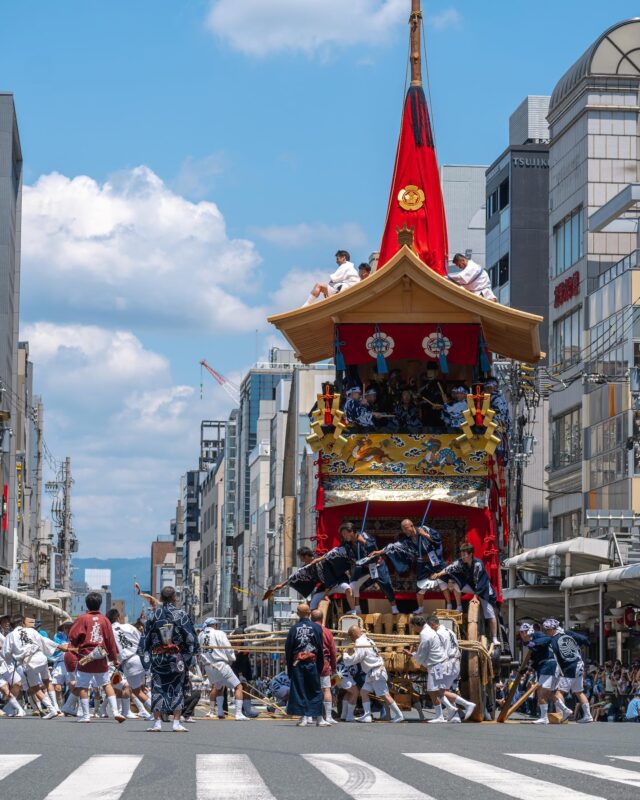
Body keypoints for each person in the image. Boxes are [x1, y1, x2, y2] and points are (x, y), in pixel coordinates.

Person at [138, 585, 199, 733]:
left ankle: (157, 722)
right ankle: (176, 723)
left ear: (160, 598)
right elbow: (190, 638)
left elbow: (144, 639)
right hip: (176, 657)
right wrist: (188, 658)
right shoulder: (181, 614)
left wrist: (145, 660)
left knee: (158, 688)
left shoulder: (153, 615)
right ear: (174, 598)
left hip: (158, 657)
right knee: (177, 688)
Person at [68, 593, 123, 724]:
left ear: (87, 604)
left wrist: (76, 645)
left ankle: (86, 715)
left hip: (86, 656)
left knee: (83, 686)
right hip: (101, 656)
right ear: (100, 604)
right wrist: (114, 658)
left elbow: (73, 636)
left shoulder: (82, 618)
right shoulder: (105, 620)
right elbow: (110, 641)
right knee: (106, 684)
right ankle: (116, 712)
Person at [431, 542, 500, 645]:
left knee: (489, 614)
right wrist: (438, 574)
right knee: (455, 583)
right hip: (473, 587)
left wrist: (476, 597)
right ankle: (459, 607)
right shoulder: (461, 562)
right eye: (461, 554)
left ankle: (494, 638)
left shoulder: (478, 564)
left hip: (484, 590)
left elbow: (481, 582)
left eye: (464, 554)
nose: (462, 557)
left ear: (470, 554)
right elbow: (449, 568)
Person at [3, 613, 69, 719]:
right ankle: (56, 707)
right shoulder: (31, 630)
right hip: (41, 658)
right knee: (47, 681)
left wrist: (11, 658)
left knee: (35, 688)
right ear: (22, 622)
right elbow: (44, 641)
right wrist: (58, 647)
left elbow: (6, 653)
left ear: (11, 625)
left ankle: (51, 709)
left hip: (29, 662)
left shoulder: (10, 636)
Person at [342, 624, 404, 723]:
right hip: (372, 672)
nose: (350, 638)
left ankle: (399, 714)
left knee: (384, 695)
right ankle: (367, 715)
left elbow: (357, 658)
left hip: (376, 672)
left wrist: (345, 655)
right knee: (364, 692)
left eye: (350, 636)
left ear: (353, 634)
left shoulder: (360, 642)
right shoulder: (367, 640)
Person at [542, 619, 593, 724]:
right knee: (579, 691)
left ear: (552, 629)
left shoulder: (553, 639)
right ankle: (588, 715)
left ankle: (562, 715)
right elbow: (583, 639)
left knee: (559, 691)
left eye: (546, 630)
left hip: (569, 667)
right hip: (579, 664)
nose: (545, 632)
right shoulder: (568, 633)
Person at [341, 522, 399, 615]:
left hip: (376, 565)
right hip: (362, 567)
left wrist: (363, 541)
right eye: (342, 534)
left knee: (386, 585)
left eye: (345, 533)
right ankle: (357, 609)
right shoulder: (347, 543)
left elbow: (374, 549)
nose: (344, 536)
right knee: (354, 585)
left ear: (352, 531)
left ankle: (394, 607)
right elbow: (344, 551)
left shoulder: (363, 535)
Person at [408, 615, 458, 723]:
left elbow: (422, 653)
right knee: (438, 690)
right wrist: (414, 654)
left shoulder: (425, 634)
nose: (413, 629)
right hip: (439, 663)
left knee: (432, 690)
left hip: (436, 665)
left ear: (417, 625)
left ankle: (441, 715)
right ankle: (449, 709)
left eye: (413, 626)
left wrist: (414, 656)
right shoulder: (429, 631)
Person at [198, 618, 250, 721]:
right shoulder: (219, 633)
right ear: (214, 625)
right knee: (238, 686)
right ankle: (239, 713)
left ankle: (220, 711)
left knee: (218, 687)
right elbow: (227, 648)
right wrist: (232, 657)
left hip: (208, 666)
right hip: (220, 664)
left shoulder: (200, 635)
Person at [106, 608, 153, 720]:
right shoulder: (129, 626)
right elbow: (142, 640)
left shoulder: (109, 632)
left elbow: (112, 650)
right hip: (141, 658)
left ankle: (155, 711)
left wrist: (115, 660)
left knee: (137, 690)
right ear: (118, 617)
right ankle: (155, 711)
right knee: (144, 687)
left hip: (129, 662)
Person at [284, 604, 325, 727]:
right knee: (315, 690)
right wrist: (319, 666)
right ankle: (319, 718)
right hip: (312, 663)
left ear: (298, 613)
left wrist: (290, 668)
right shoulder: (317, 628)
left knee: (299, 690)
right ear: (309, 612)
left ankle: (304, 717)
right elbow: (320, 648)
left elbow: (288, 649)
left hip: (298, 663)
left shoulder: (294, 628)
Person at [519, 622, 561, 725]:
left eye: (523, 632)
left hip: (548, 665)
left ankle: (544, 717)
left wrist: (534, 643)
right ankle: (564, 710)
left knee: (541, 693)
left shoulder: (537, 636)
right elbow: (535, 659)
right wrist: (527, 669)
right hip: (546, 666)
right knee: (549, 693)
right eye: (521, 633)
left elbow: (547, 639)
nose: (522, 635)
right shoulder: (531, 642)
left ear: (528, 631)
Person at [310, 609, 338, 725]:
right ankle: (329, 716)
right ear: (322, 619)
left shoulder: (309, 630)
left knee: (310, 690)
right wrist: (334, 667)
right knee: (326, 689)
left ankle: (309, 716)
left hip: (310, 662)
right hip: (324, 663)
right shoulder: (327, 632)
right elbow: (333, 651)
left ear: (311, 619)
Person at [0, 615, 25, 718]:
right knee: (5, 689)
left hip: (8, 664)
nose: (7, 623)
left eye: (8, 622)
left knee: (18, 684)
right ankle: (20, 709)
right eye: (4, 621)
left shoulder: (11, 634)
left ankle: (8, 707)